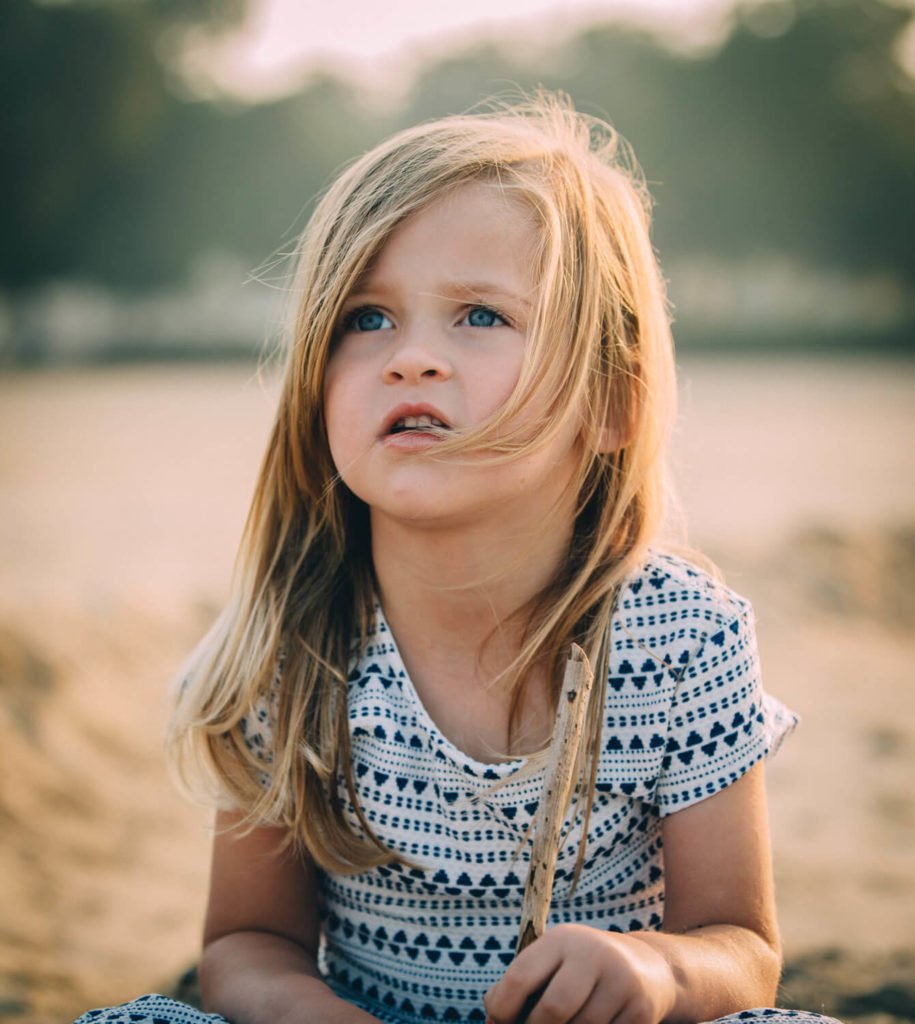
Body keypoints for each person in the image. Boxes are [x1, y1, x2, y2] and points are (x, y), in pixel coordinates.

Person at [75, 93, 841, 1024]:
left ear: (610, 404)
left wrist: (654, 973)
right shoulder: (294, 636)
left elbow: (740, 946)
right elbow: (246, 943)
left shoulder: (682, 635)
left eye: (479, 316)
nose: (411, 359)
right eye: (365, 319)